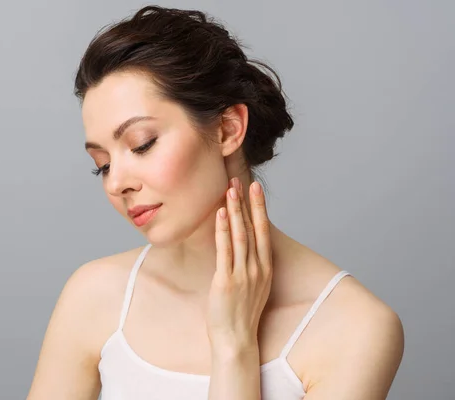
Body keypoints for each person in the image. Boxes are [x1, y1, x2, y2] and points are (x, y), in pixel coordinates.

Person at [26, 5, 404, 400]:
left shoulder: (355, 327)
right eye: (101, 165)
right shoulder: (94, 296)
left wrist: (233, 345)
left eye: (142, 144)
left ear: (228, 129)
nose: (116, 183)